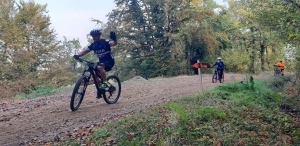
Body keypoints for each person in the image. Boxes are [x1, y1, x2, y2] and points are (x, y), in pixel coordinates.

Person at [73, 29, 117, 98]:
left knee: (99, 67)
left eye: (95, 36)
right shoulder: (93, 45)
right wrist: (78, 55)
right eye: (93, 36)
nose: (94, 38)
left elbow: (113, 43)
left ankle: (105, 83)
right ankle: (100, 90)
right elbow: (85, 51)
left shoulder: (105, 42)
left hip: (109, 61)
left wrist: (115, 39)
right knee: (94, 74)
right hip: (101, 62)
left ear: (99, 36)